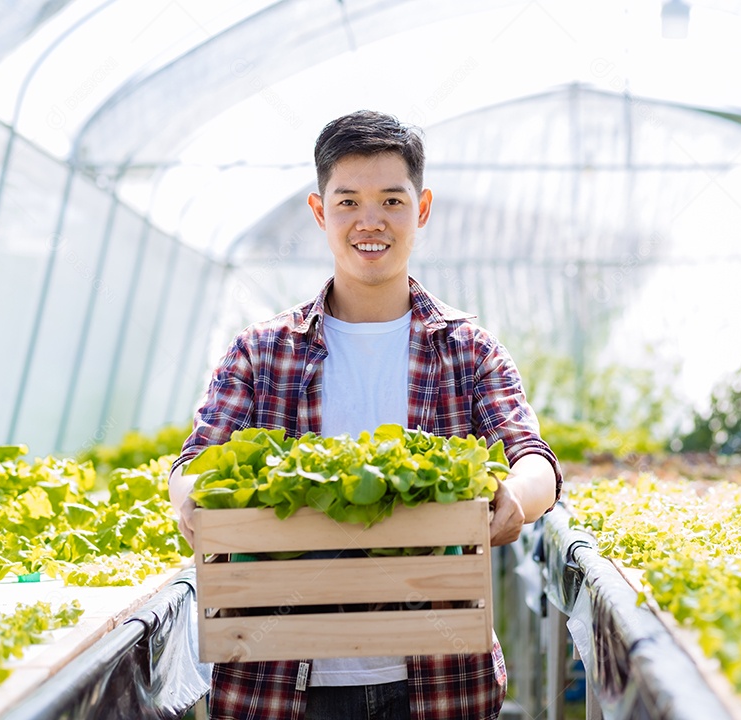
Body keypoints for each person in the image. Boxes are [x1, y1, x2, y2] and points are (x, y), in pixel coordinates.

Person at [168, 110, 561, 720]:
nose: (369, 222)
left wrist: (519, 496)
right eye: (348, 201)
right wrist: (190, 497)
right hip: (279, 683)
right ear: (320, 211)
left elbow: (531, 456)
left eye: (391, 201)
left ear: (422, 208)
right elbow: (196, 461)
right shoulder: (261, 351)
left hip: (440, 681)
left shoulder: (466, 349)